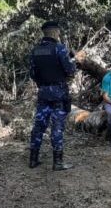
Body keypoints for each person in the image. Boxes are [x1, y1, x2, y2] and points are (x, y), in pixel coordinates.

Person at [28, 21, 76, 170]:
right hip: (59, 94)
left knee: (39, 126)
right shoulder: (59, 49)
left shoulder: (35, 50)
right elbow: (70, 70)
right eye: (58, 32)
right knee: (57, 127)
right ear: (55, 32)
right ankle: (58, 162)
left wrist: (43, 84)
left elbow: (32, 74)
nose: (59, 35)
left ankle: (33, 160)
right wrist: (74, 62)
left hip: (43, 93)